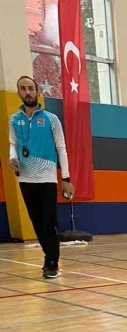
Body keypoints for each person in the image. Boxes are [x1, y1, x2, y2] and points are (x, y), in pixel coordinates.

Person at [8, 75, 74, 279]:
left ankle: (53, 261)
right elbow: (13, 144)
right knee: (36, 222)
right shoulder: (14, 119)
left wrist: (66, 178)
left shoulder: (51, 119)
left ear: (37, 92)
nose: (27, 92)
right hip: (25, 178)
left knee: (49, 222)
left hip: (46, 178)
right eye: (23, 89)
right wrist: (12, 158)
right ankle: (48, 256)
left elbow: (61, 149)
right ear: (19, 93)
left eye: (30, 88)